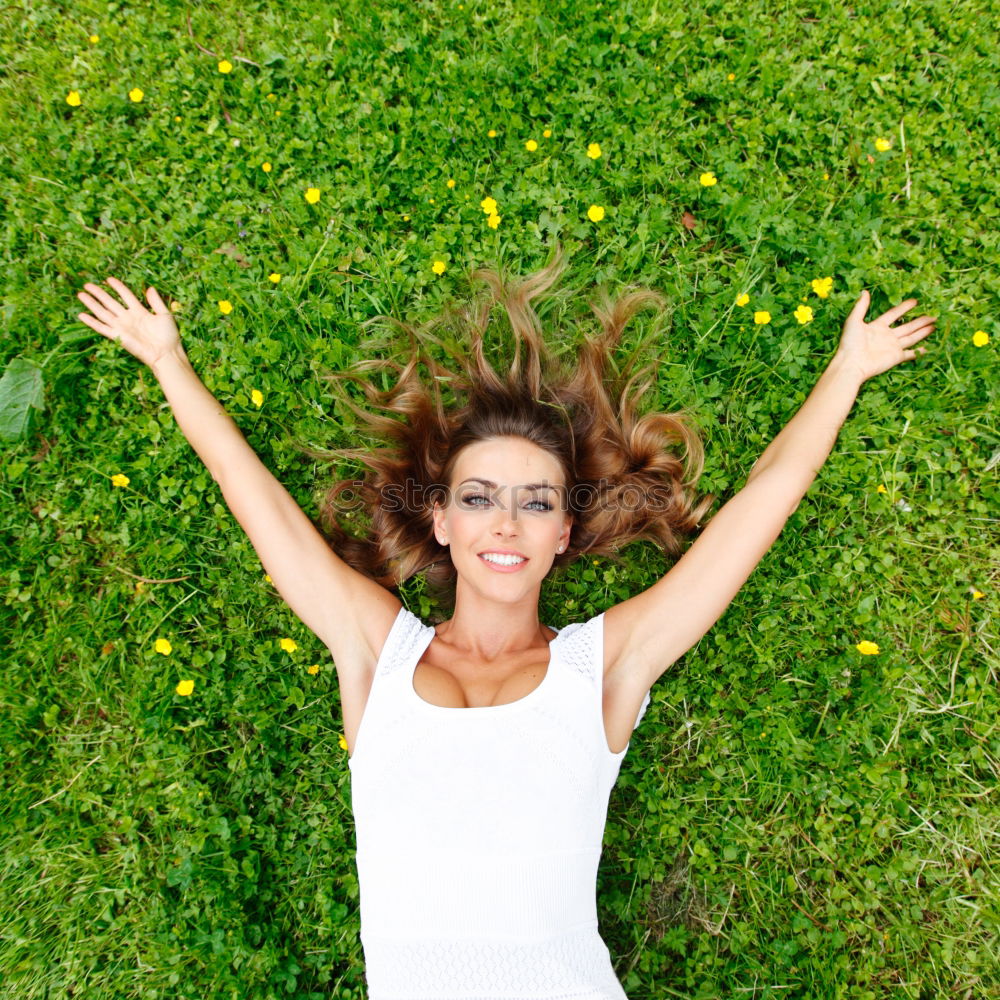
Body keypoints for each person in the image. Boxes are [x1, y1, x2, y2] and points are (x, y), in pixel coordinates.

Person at [76, 245, 934, 999]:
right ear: (443, 520)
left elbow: (761, 508)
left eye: (535, 504)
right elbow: (254, 502)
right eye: (479, 499)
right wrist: (165, 361)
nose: (505, 524)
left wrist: (847, 370)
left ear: (562, 534)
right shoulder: (376, 649)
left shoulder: (604, 664)